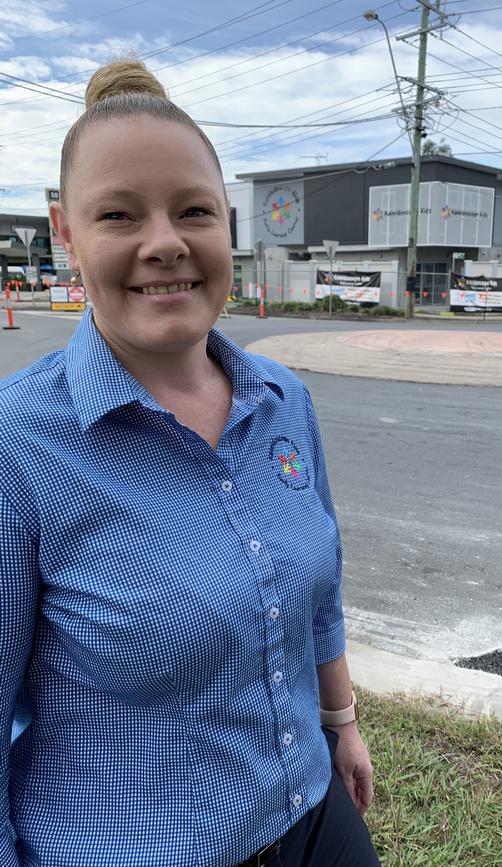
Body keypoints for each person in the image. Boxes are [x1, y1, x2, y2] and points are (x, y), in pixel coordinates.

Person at [0, 59, 381, 867]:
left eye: (193, 211)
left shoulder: (284, 399)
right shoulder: (17, 448)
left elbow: (320, 591)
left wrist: (340, 721)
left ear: (228, 226)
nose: (165, 243)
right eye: (118, 214)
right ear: (64, 233)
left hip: (313, 817)